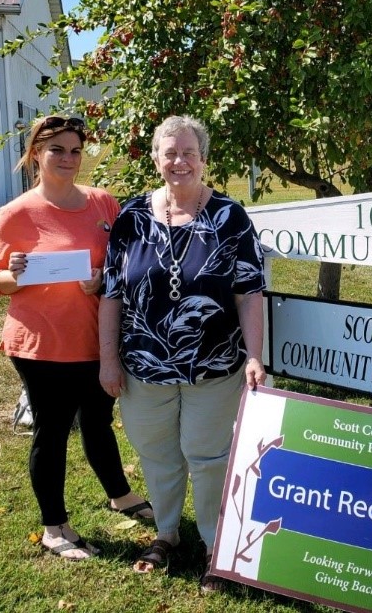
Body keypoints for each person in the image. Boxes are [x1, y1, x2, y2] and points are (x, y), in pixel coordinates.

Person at [99, 115, 266, 589]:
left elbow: (250, 293)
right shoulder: (132, 217)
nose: (179, 161)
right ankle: (167, 532)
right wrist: (108, 359)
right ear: (155, 159)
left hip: (214, 366)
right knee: (156, 452)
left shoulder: (230, 216)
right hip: (143, 366)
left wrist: (255, 355)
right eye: (169, 152)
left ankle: (216, 545)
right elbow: (111, 293)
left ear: (203, 158)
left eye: (189, 152)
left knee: (208, 456)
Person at [0, 114, 152, 561]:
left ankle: (119, 494)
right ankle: (54, 527)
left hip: (96, 338)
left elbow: (124, 262)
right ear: (36, 153)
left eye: (76, 150)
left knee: (98, 421)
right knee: (53, 430)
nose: (68, 158)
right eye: (57, 149)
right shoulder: (16, 213)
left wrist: (102, 279)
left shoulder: (103, 204)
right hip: (42, 344)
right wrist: (14, 275)